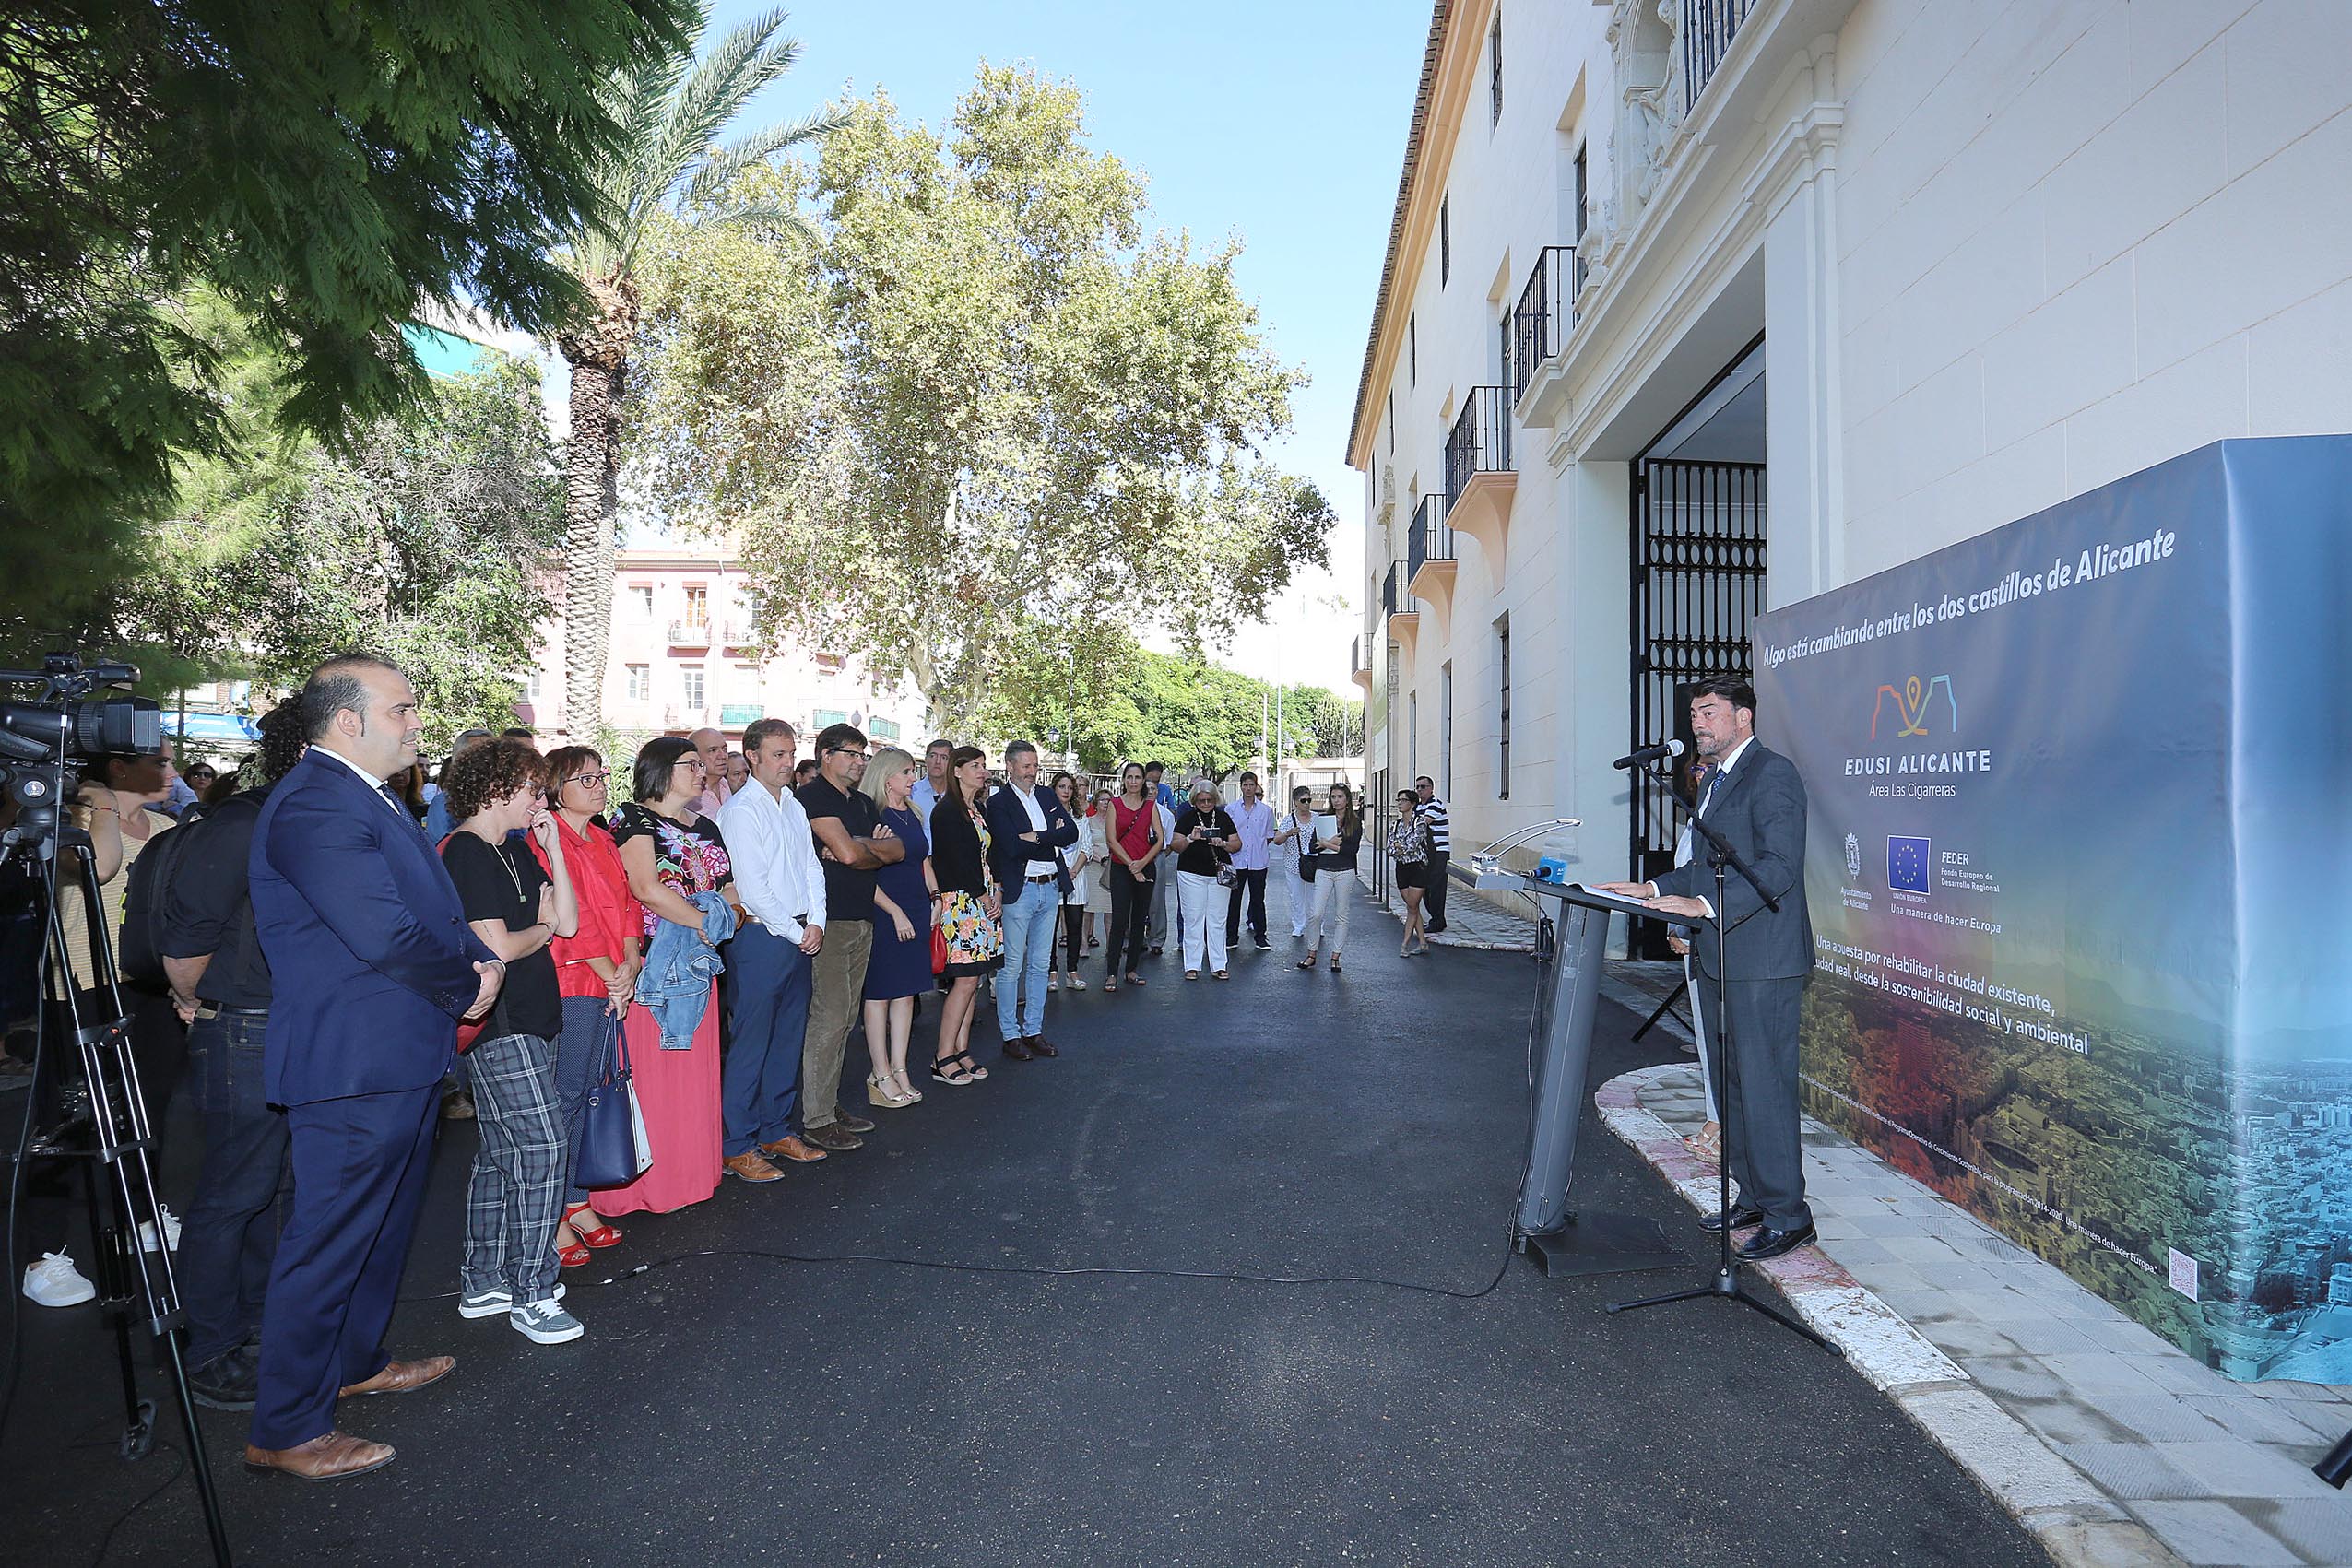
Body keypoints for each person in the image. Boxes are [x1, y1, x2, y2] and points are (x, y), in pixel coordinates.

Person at [243, 653, 503, 1480]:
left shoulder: (368, 795)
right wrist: (467, 982)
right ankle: (285, 1427)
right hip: (353, 1065)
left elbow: (431, 905)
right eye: (401, 710)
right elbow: (382, 933)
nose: (415, 723)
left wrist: (477, 959)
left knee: (382, 1229)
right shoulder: (317, 802)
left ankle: (355, 1362)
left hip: (397, 1053)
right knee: (327, 1241)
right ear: (348, 720)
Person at [1597, 677, 1814, 1259]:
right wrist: (1653, 886)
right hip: (1720, 957)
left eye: (1710, 712)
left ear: (1744, 718)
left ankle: (1789, 1213)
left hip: (1763, 960)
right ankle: (1754, 1194)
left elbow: (1776, 866)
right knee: (1730, 1084)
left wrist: (1705, 906)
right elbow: (1708, 867)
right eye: (1694, 714)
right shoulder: (1715, 780)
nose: (1698, 724)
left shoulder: (1773, 774)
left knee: (1764, 1087)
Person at [154, 700, 306, 1411]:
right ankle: (210, 1351)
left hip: (285, 1028)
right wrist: (200, 1004)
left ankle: (252, 1332)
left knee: (272, 1193)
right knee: (232, 1197)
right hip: (244, 1027)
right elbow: (185, 940)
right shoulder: (244, 820)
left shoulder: (296, 817)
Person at [439, 738, 585, 1345]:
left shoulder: (520, 848)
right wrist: (543, 925)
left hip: (531, 1014)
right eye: (532, 787)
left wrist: (553, 850)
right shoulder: (468, 852)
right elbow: (497, 946)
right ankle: (531, 1290)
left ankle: (484, 1281)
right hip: (500, 1025)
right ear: (498, 787)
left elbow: (569, 922)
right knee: (544, 1147)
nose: (540, 799)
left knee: (503, 1151)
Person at [597, 737, 736, 1217]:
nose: (703, 771)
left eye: (703, 764)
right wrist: (708, 922)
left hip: (700, 964)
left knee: (693, 1074)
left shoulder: (709, 827)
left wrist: (721, 920)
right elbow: (644, 888)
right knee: (653, 1075)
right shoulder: (632, 819)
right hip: (655, 969)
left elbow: (730, 894)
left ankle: (688, 1176)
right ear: (659, 768)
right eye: (691, 764)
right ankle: (642, 1186)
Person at [536, 747, 647, 1252]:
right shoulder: (546, 840)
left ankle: (576, 1197)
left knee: (587, 1090)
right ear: (557, 788)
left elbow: (627, 908)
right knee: (565, 1095)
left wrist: (631, 962)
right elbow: (568, 921)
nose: (599, 784)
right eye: (585, 778)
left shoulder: (603, 838)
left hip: (610, 979)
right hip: (574, 982)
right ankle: (553, 1207)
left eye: (601, 775)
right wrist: (613, 977)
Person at [715, 720, 830, 1180]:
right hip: (762, 937)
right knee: (750, 1042)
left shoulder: (794, 806)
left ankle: (774, 1129)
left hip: (798, 932)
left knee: (787, 1039)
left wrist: (817, 919)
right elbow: (751, 886)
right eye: (777, 754)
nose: (787, 762)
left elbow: (810, 866)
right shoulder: (742, 810)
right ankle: (737, 1143)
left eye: (790, 753)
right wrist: (794, 929)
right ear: (754, 757)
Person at [795, 724, 902, 1150]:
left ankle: (828, 1103)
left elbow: (897, 850)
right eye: (851, 754)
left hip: (862, 916)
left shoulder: (859, 802)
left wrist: (855, 847)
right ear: (825, 754)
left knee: (845, 1019)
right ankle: (816, 1119)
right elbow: (853, 854)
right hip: (830, 919)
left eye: (863, 755)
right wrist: (860, 849)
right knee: (830, 1016)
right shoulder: (811, 797)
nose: (860, 762)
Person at [985, 739, 1078, 1061]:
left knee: (1040, 964)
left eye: (1035, 765)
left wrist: (1037, 837)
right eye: (1026, 766)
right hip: (1019, 889)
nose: (1032, 772)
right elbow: (1010, 847)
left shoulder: (1047, 795)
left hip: (1050, 886)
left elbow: (1071, 835)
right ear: (1009, 766)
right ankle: (1010, 1035)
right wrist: (1049, 837)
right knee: (1012, 966)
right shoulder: (998, 804)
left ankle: (1033, 1030)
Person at [858, 746, 930, 1107]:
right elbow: (864, 875)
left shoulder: (913, 813)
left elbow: (922, 861)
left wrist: (933, 899)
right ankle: (880, 1073)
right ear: (887, 776)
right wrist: (896, 913)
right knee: (880, 994)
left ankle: (900, 1069)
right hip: (886, 912)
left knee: (906, 993)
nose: (912, 778)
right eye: (906, 772)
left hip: (917, 907)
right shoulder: (875, 815)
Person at [924, 746, 1001, 1084]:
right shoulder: (947, 812)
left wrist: (996, 890)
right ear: (957, 771)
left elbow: (988, 856)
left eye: (983, 766)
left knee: (975, 978)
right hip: (962, 904)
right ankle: (942, 1056)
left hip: (981, 902)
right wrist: (985, 896)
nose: (982, 771)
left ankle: (961, 1049)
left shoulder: (978, 809)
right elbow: (955, 861)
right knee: (964, 979)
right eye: (974, 766)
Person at [1170, 782, 1241, 981]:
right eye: (1202, 800)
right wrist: (1191, 838)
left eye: (1210, 800)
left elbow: (1237, 844)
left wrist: (1224, 843)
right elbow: (1175, 845)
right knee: (1193, 918)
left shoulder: (1224, 817)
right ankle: (1192, 965)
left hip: (1218, 874)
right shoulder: (1187, 818)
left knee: (1218, 919)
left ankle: (1219, 964)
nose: (1206, 803)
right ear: (1195, 800)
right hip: (1190, 873)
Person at [1102, 763, 1162, 990]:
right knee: (1119, 921)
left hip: (1145, 867)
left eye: (1137, 777)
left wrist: (1142, 864)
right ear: (1124, 779)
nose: (1133, 781)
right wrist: (1131, 866)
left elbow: (1160, 839)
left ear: (1143, 780)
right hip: (1121, 868)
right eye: (1130, 777)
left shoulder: (1150, 805)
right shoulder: (1115, 805)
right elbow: (1111, 840)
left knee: (1139, 921)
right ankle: (1111, 973)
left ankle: (1131, 969)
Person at [1298, 783, 1361, 974]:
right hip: (1323, 869)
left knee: (1342, 914)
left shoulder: (1355, 822)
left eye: (1340, 796)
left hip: (1345, 870)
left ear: (1347, 799)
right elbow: (1311, 847)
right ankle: (1311, 953)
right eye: (1333, 797)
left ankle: (1336, 956)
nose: (1336, 800)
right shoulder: (1324, 819)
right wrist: (1329, 843)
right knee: (1316, 913)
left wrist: (1328, 844)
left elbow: (1352, 850)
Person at [1223, 772, 1276, 952]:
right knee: (1233, 900)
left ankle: (1260, 936)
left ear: (1256, 787)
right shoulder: (1231, 809)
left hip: (1258, 861)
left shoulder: (1265, 811)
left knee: (1257, 900)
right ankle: (1231, 936)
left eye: (1251, 785)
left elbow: (1269, 836)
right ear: (1241, 786)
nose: (1248, 788)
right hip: (1236, 861)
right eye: (1245, 785)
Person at [1049, 772, 1090, 992]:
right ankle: (1052, 971)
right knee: (1050, 928)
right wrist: (1062, 870)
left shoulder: (1080, 816)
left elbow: (1087, 847)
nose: (1066, 791)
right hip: (1053, 877)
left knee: (1075, 926)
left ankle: (1072, 971)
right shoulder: (1046, 814)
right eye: (1061, 786)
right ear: (1054, 789)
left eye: (1070, 788)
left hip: (1077, 877)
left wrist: (1073, 870)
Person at [422, 728, 494, 843]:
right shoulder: (443, 803)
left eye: (491, 755)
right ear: (459, 761)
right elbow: (443, 849)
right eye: (478, 755)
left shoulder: (505, 800)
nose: (486, 761)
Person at [1389, 788, 1434, 956]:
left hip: (1418, 868)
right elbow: (1389, 847)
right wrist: (1398, 848)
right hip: (1402, 868)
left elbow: (1413, 844)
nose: (1400, 803)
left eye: (1403, 800)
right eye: (1398, 800)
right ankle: (1423, 943)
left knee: (1412, 906)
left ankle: (1404, 944)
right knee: (1412, 907)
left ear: (1412, 803)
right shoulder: (1395, 825)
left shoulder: (1420, 822)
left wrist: (1400, 846)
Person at [1273, 785, 1317, 939]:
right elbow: (1277, 840)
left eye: (1309, 800)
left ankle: (1317, 924)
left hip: (1313, 864)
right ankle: (1299, 925)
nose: (1306, 803)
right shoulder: (1288, 820)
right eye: (1303, 800)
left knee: (1315, 897)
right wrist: (1288, 833)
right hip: (1293, 864)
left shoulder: (1317, 818)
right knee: (1296, 897)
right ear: (1295, 802)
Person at [1143, 762, 1175, 952]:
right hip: (1136, 857)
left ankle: (1156, 939)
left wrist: (1159, 856)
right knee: (1133, 900)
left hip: (1158, 857)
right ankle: (1133, 938)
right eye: (1147, 789)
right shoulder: (1134, 811)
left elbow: (1169, 843)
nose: (1150, 792)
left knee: (1156, 900)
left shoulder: (1166, 815)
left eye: (1154, 789)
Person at [1414, 775, 1452, 934]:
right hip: (1425, 853)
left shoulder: (1435, 805)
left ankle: (1437, 920)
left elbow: (1422, 824)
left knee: (1436, 887)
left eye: (1423, 787)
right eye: (1417, 787)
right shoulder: (1418, 807)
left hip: (1439, 852)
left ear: (1431, 789)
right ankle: (1436, 919)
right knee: (1426, 887)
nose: (1420, 790)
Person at [1081, 788, 1114, 956]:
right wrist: (1099, 857)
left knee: (1110, 911)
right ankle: (1084, 945)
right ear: (1095, 802)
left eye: (1109, 800)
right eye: (1102, 800)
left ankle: (1110, 947)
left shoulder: (1115, 822)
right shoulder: (1088, 821)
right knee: (1088, 910)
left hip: (1111, 869)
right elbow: (1085, 845)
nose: (1105, 803)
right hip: (1092, 868)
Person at [685, 726, 733, 820]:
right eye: (713, 750)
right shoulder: (688, 795)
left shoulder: (727, 786)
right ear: (695, 756)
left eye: (724, 749)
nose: (723, 756)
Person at [910, 738, 952, 828]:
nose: (937, 762)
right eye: (933, 756)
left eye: (944, 757)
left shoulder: (956, 795)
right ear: (926, 760)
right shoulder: (912, 793)